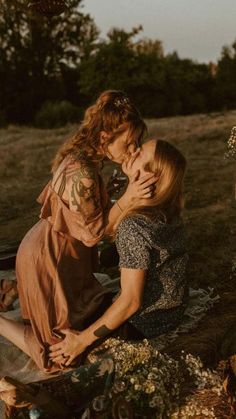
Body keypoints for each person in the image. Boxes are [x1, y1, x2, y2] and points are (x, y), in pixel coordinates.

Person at [0, 90, 156, 372]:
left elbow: (96, 210)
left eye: (137, 142)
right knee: (58, 357)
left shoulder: (88, 158)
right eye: (130, 142)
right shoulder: (82, 172)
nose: (134, 149)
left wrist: (127, 181)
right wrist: (130, 198)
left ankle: (19, 302)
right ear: (105, 137)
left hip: (64, 253)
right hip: (49, 258)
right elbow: (94, 234)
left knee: (74, 327)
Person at [49, 139, 189, 367]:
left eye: (140, 152)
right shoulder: (167, 210)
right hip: (171, 312)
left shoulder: (133, 226)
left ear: (149, 178)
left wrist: (81, 341)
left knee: (56, 339)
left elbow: (131, 302)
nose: (133, 151)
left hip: (143, 322)